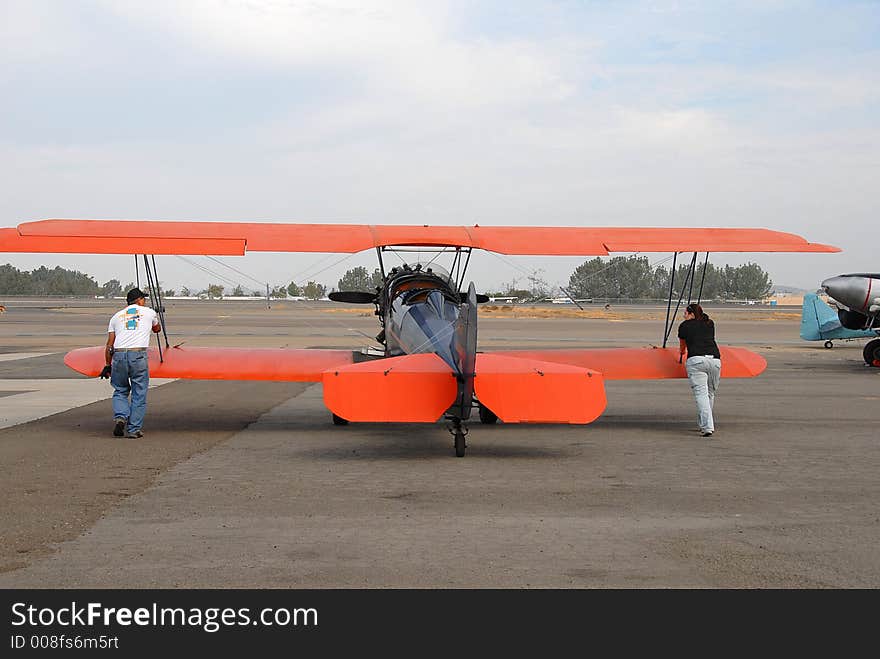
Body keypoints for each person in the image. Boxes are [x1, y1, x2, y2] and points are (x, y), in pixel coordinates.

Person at [100, 287, 161, 439]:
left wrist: (108, 365)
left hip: (119, 355)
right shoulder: (149, 312)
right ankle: (133, 429)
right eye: (143, 299)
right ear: (139, 300)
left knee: (120, 390)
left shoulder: (116, 317)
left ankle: (121, 417)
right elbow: (157, 329)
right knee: (139, 393)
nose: (145, 301)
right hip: (137, 354)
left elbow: (109, 344)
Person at [678, 302, 721, 438]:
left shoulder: (684, 326)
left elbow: (682, 346)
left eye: (685, 312)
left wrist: (681, 353)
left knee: (701, 394)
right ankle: (704, 423)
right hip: (715, 360)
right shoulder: (709, 323)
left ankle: (707, 426)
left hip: (696, 361)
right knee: (710, 394)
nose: (683, 315)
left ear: (691, 314)